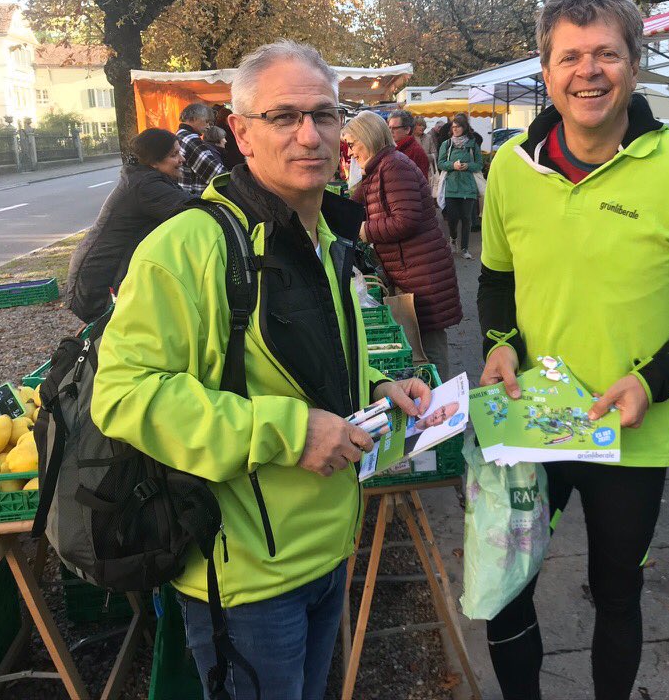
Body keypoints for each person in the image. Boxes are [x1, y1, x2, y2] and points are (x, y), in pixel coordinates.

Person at [91, 40, 433, 700]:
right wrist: (290, 432)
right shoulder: (186, 246)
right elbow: (124, 395)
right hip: (247, 580)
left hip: (329, 550)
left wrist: (375, 388)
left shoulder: (326, 236)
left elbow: (304, 359)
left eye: (325, 114)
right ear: (241, 134)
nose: (309, 135)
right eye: (283, 116)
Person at [478, 0, 669, 700]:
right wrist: (499, 344)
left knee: (617, 594)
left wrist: (652, 381)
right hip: (529, 424)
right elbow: (496, 278)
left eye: (606, 53)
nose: (588, 71)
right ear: (547, 71)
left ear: (634, 63)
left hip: (629, 436)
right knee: (505, 590)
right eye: (570, 56)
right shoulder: (509, 168)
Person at [344, 111, 462, 380]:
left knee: (428, 346)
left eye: (352, 144)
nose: (349, 152)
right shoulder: (378, 169)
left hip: (422, 272)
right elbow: (353, 205)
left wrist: (363, 230)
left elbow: (405, 221)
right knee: (419, 342)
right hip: (411, 270)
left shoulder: (394, 167)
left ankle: (445, 399)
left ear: (367, 138)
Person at [65, 128, 189, 323]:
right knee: (113, 332)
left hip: (100, 274)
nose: (182, 159)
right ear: (154, 161)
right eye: (174, 154)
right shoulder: (146, 186)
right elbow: (193, 208)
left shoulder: (145, 177)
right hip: (100, 281)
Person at [437, 115, 483, 259]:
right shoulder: (447, 144)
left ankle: (465, 248)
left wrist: (468, 166)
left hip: (468, 187)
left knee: (466, 218)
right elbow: (440, 163)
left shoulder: (473, 144)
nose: (455, 129)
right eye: (453, 127)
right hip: (451, 187)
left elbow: (479, 164)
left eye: (458, 127)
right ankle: (453, 239)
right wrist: (453, 165)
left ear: (464, 128)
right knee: (452, 218)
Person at [176, 102, 226, 195]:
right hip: (194, 197)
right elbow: (216, 174)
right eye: (206, 121)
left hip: (183, 194)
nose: (208, 126)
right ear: (194, 118)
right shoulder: (190, 139)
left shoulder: (180, 135)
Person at [387, 110, 430, 176]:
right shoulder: (389, 148)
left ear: (407, 129)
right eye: (389, 128)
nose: (391, 131)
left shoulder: (416, 152)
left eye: (395, 128)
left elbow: (421, 179)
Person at [212, 104, 246, 169]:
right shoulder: (225, 129)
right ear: (226, 117)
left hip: (227, 158)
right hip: (232, 158)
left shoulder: (217, 128)